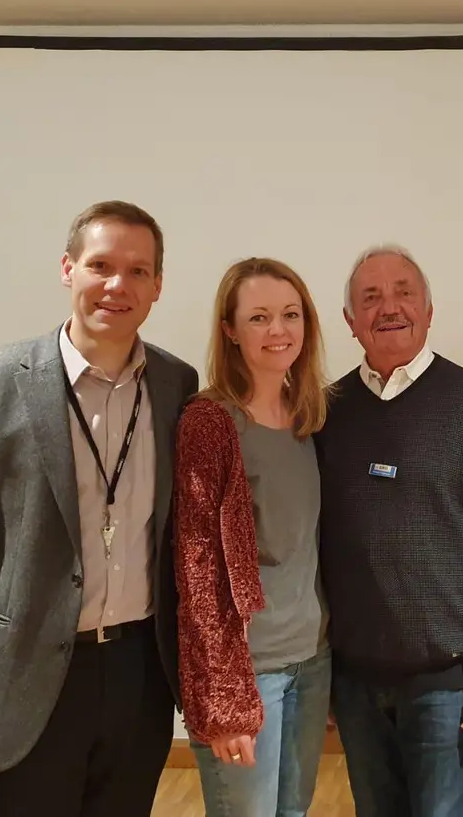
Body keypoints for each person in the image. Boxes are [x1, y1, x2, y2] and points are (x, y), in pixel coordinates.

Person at [0, 201, 200, 817]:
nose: (118, 285)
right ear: (68, 269)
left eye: (138, 271)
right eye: (101, 265)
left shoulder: (177, 385)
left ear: (158, 287)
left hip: (138, 676)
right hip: (20, 682)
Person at [317, 244, 463, 816]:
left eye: (403, 293)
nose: (389, 308)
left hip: (446, 681)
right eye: (370, 298)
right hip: (356, 680)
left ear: (429, 310)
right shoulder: (326, 412)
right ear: (350, 320)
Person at [174, 257, 332, 816]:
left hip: (312, 659)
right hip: (248, 669)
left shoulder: (314, 416)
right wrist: (222, 698)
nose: (278, 330)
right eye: (259, 317)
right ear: (230, 330)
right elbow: (197, 571)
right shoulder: (210, 422)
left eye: (291, 315)